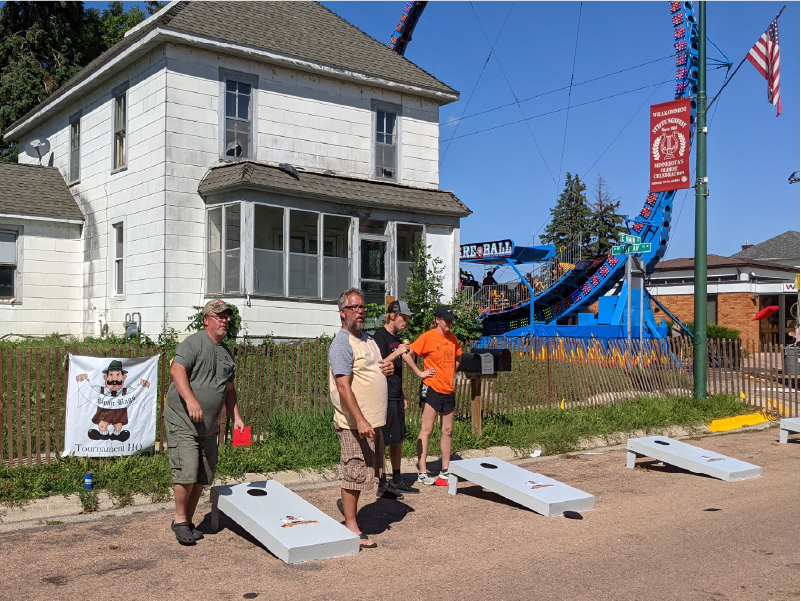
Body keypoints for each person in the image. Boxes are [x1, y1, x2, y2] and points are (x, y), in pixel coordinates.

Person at [163, 299, 246, 546]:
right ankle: (179, 521)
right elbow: (177, 370)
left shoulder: (226, 353)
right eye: (218, 315)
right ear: (206, 319)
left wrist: (237, 417)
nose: (223, 320)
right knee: (187, 469)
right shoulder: (194, 343)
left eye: (226, 316)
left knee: (203, 473)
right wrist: (191, 401)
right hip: (183, 420)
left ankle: (187, 521)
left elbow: (228, 389)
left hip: (208, 426)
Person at [329, 288, 394, 549]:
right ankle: (351, 526)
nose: (360, 312)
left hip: (371, 421)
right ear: (342, 313)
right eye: (354, 308)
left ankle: (351, 518)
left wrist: (387, 369)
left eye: (362, 307)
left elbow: (377, 369)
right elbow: (343, 386)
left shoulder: (368, 339)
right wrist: (361, 419)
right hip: (353, 423)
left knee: (364, 472)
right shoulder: (342, 343)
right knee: (353, 471)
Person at [404, 305, 462, 485]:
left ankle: (445, 469)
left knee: (448, 430)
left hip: (448, 388)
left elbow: (459, 356)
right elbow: (407, 354)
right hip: (432, 387)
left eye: (451, 320)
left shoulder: (453, 338)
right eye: (446, 320)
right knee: (427, 429)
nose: (449, 323)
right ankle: (422, 470)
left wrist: (452, 371)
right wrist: (419, 372)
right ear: (437, 319)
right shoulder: (428, 337)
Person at [372, 300, 420, 498]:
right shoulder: (379, 337)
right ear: (392, 315)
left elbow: (398, 371)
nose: (406, 322)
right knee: (383, 439)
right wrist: (398, 352)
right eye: (404, 317)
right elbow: (378, 364)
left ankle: (397, 479)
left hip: (396, 394)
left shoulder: (396, 338)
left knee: (398, 438)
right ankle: (382, 483)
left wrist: (402, 394)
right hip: (384, 395)